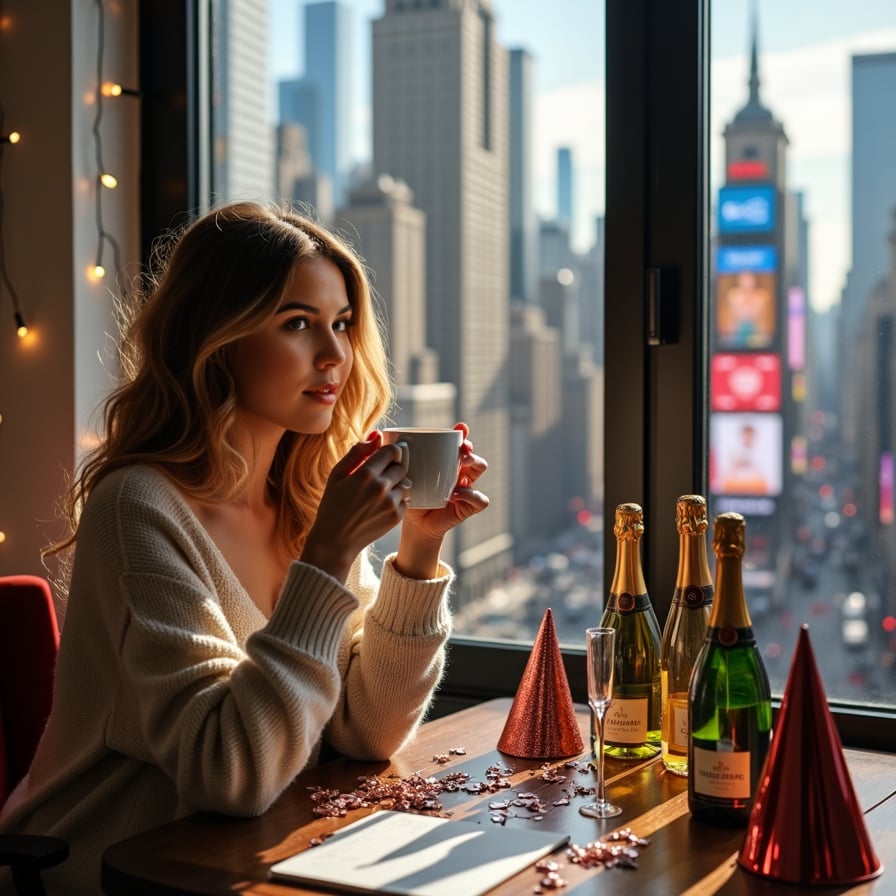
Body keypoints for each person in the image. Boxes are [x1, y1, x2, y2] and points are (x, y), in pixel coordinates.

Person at [0, 201, 489, 894]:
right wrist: (324, 560)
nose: (334, 356)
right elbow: (228, 771)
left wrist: (417, 550)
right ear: (217, 338)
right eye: (298, 323)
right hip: (115, 869)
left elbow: (368, 732)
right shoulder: (138, 506)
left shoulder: (312, 498)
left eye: (342, 325)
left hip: (253, 860)